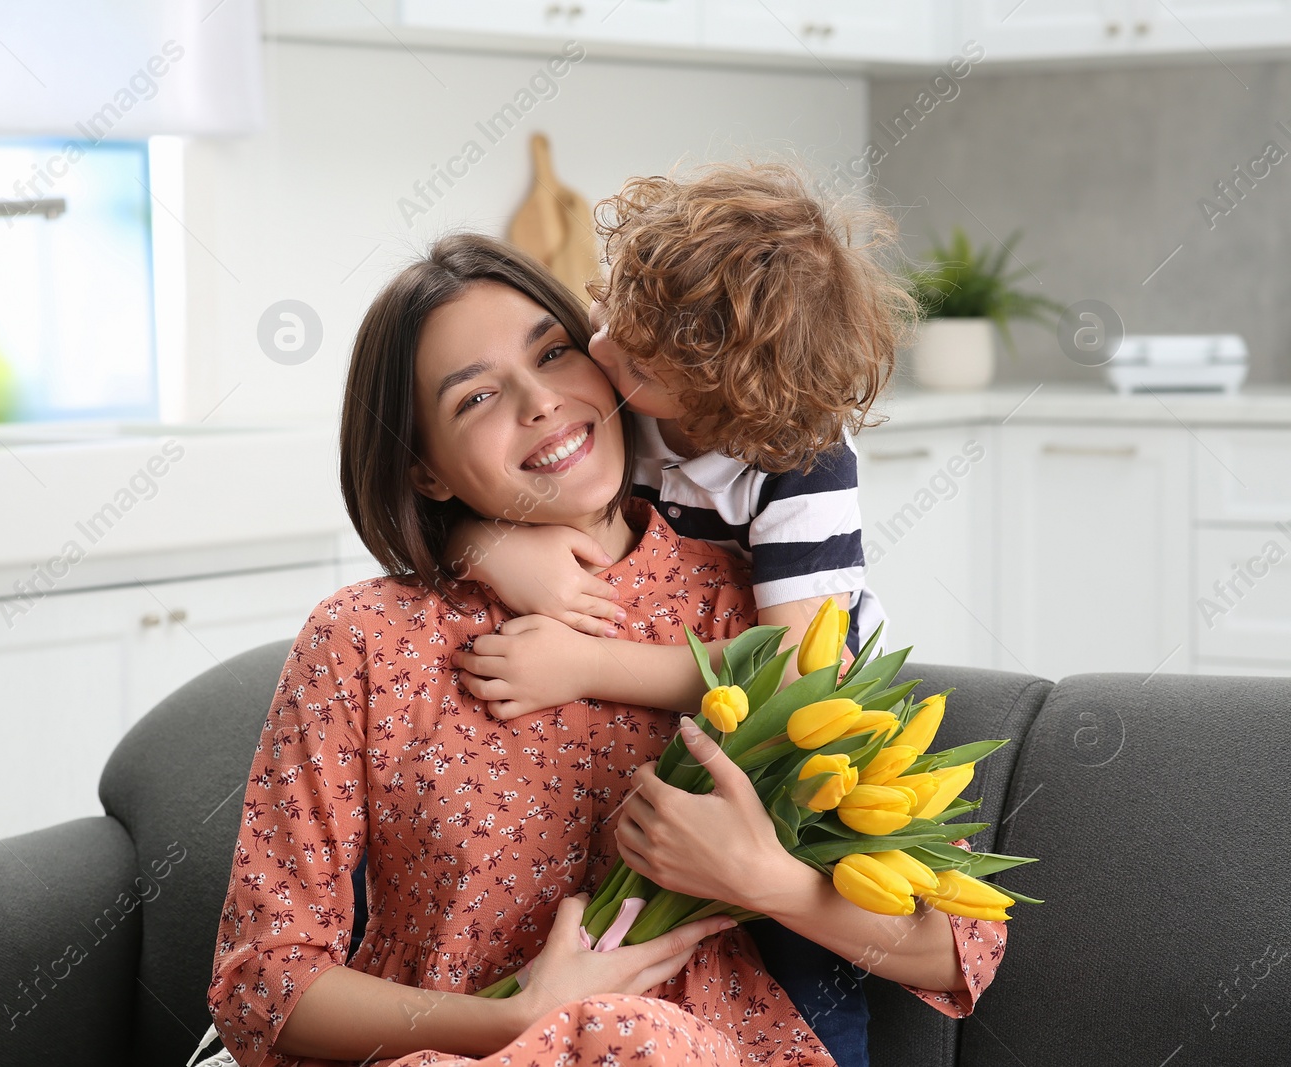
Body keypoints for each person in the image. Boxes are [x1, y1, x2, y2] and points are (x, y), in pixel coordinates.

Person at [205, 233, 1003, 1067]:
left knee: (633, 1037)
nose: (539, 400)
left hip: (704, 1050)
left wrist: (761, 877)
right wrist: (515, 1018)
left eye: (553, 352)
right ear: (425, 471)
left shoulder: (763, 617)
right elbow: (264, 986)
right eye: (474, 399)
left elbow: (959, 943)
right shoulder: (364, 640)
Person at [441, 164, 921, 1061]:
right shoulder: (637, 396)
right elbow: (482, 486)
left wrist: (583, 667)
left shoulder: (801, 456)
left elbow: (789, 674)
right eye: (619, 312)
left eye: (644, 363)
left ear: (726, 404)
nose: (607, 347)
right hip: (705, 719)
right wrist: (490, 542)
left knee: (801, 960)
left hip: (801, 741)